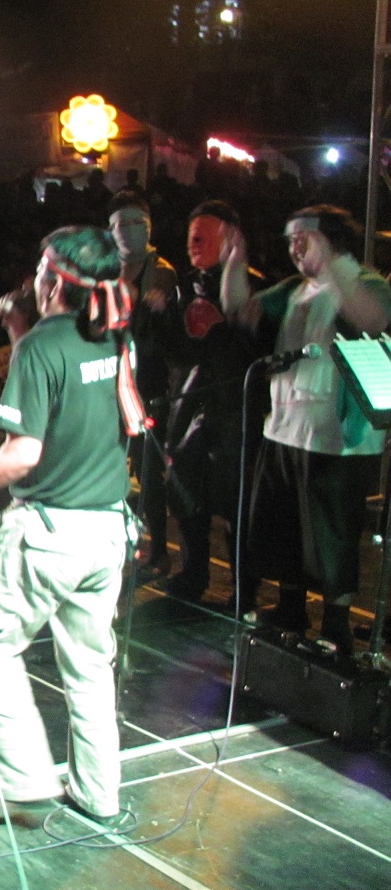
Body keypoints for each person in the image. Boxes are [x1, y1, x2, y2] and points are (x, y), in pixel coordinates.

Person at [0, 226, 140, 831]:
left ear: (51, 279)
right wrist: (23, 330)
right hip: (106, 532)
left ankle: (24, 784)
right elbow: (71, 393)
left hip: (48, 532)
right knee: (87, 668)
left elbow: (24, 453)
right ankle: (99, 794)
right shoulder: (113, 332)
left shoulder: (41, 348)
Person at [222, 204, 391, 654]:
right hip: (285, 426)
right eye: (290, 238)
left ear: (332, 239)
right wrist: (234, 263)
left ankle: (335, 624)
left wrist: (332, 268)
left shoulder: (365, 281)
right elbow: (241, 309)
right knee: (285, 527)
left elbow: (371, 319)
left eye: (305, 237)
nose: (294, 247)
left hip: (336, 437)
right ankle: (291, 607)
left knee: (331, 534)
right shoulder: (296, 288)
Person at [161, 202, 263, 603]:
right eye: (191, 235)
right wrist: (159, 317)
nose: (195, 242)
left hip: (238, 407)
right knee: (186, 489)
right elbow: (176, 350)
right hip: (191, 402)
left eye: (206, 234)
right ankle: (193, 571)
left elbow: (255, 345)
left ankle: (244, 586)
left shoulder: (253, 285)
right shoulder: (184, 288)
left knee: (238, 501)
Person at [108, 191, 179, 574]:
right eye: (120, 223)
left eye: (136, 223)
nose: (128, 231)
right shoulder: (107, 268)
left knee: (150, 470)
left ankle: (160, 548)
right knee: (112, 465)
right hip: (110, 379)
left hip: (147, 384)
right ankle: (119, 539)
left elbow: (163, 327)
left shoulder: (161, 270)